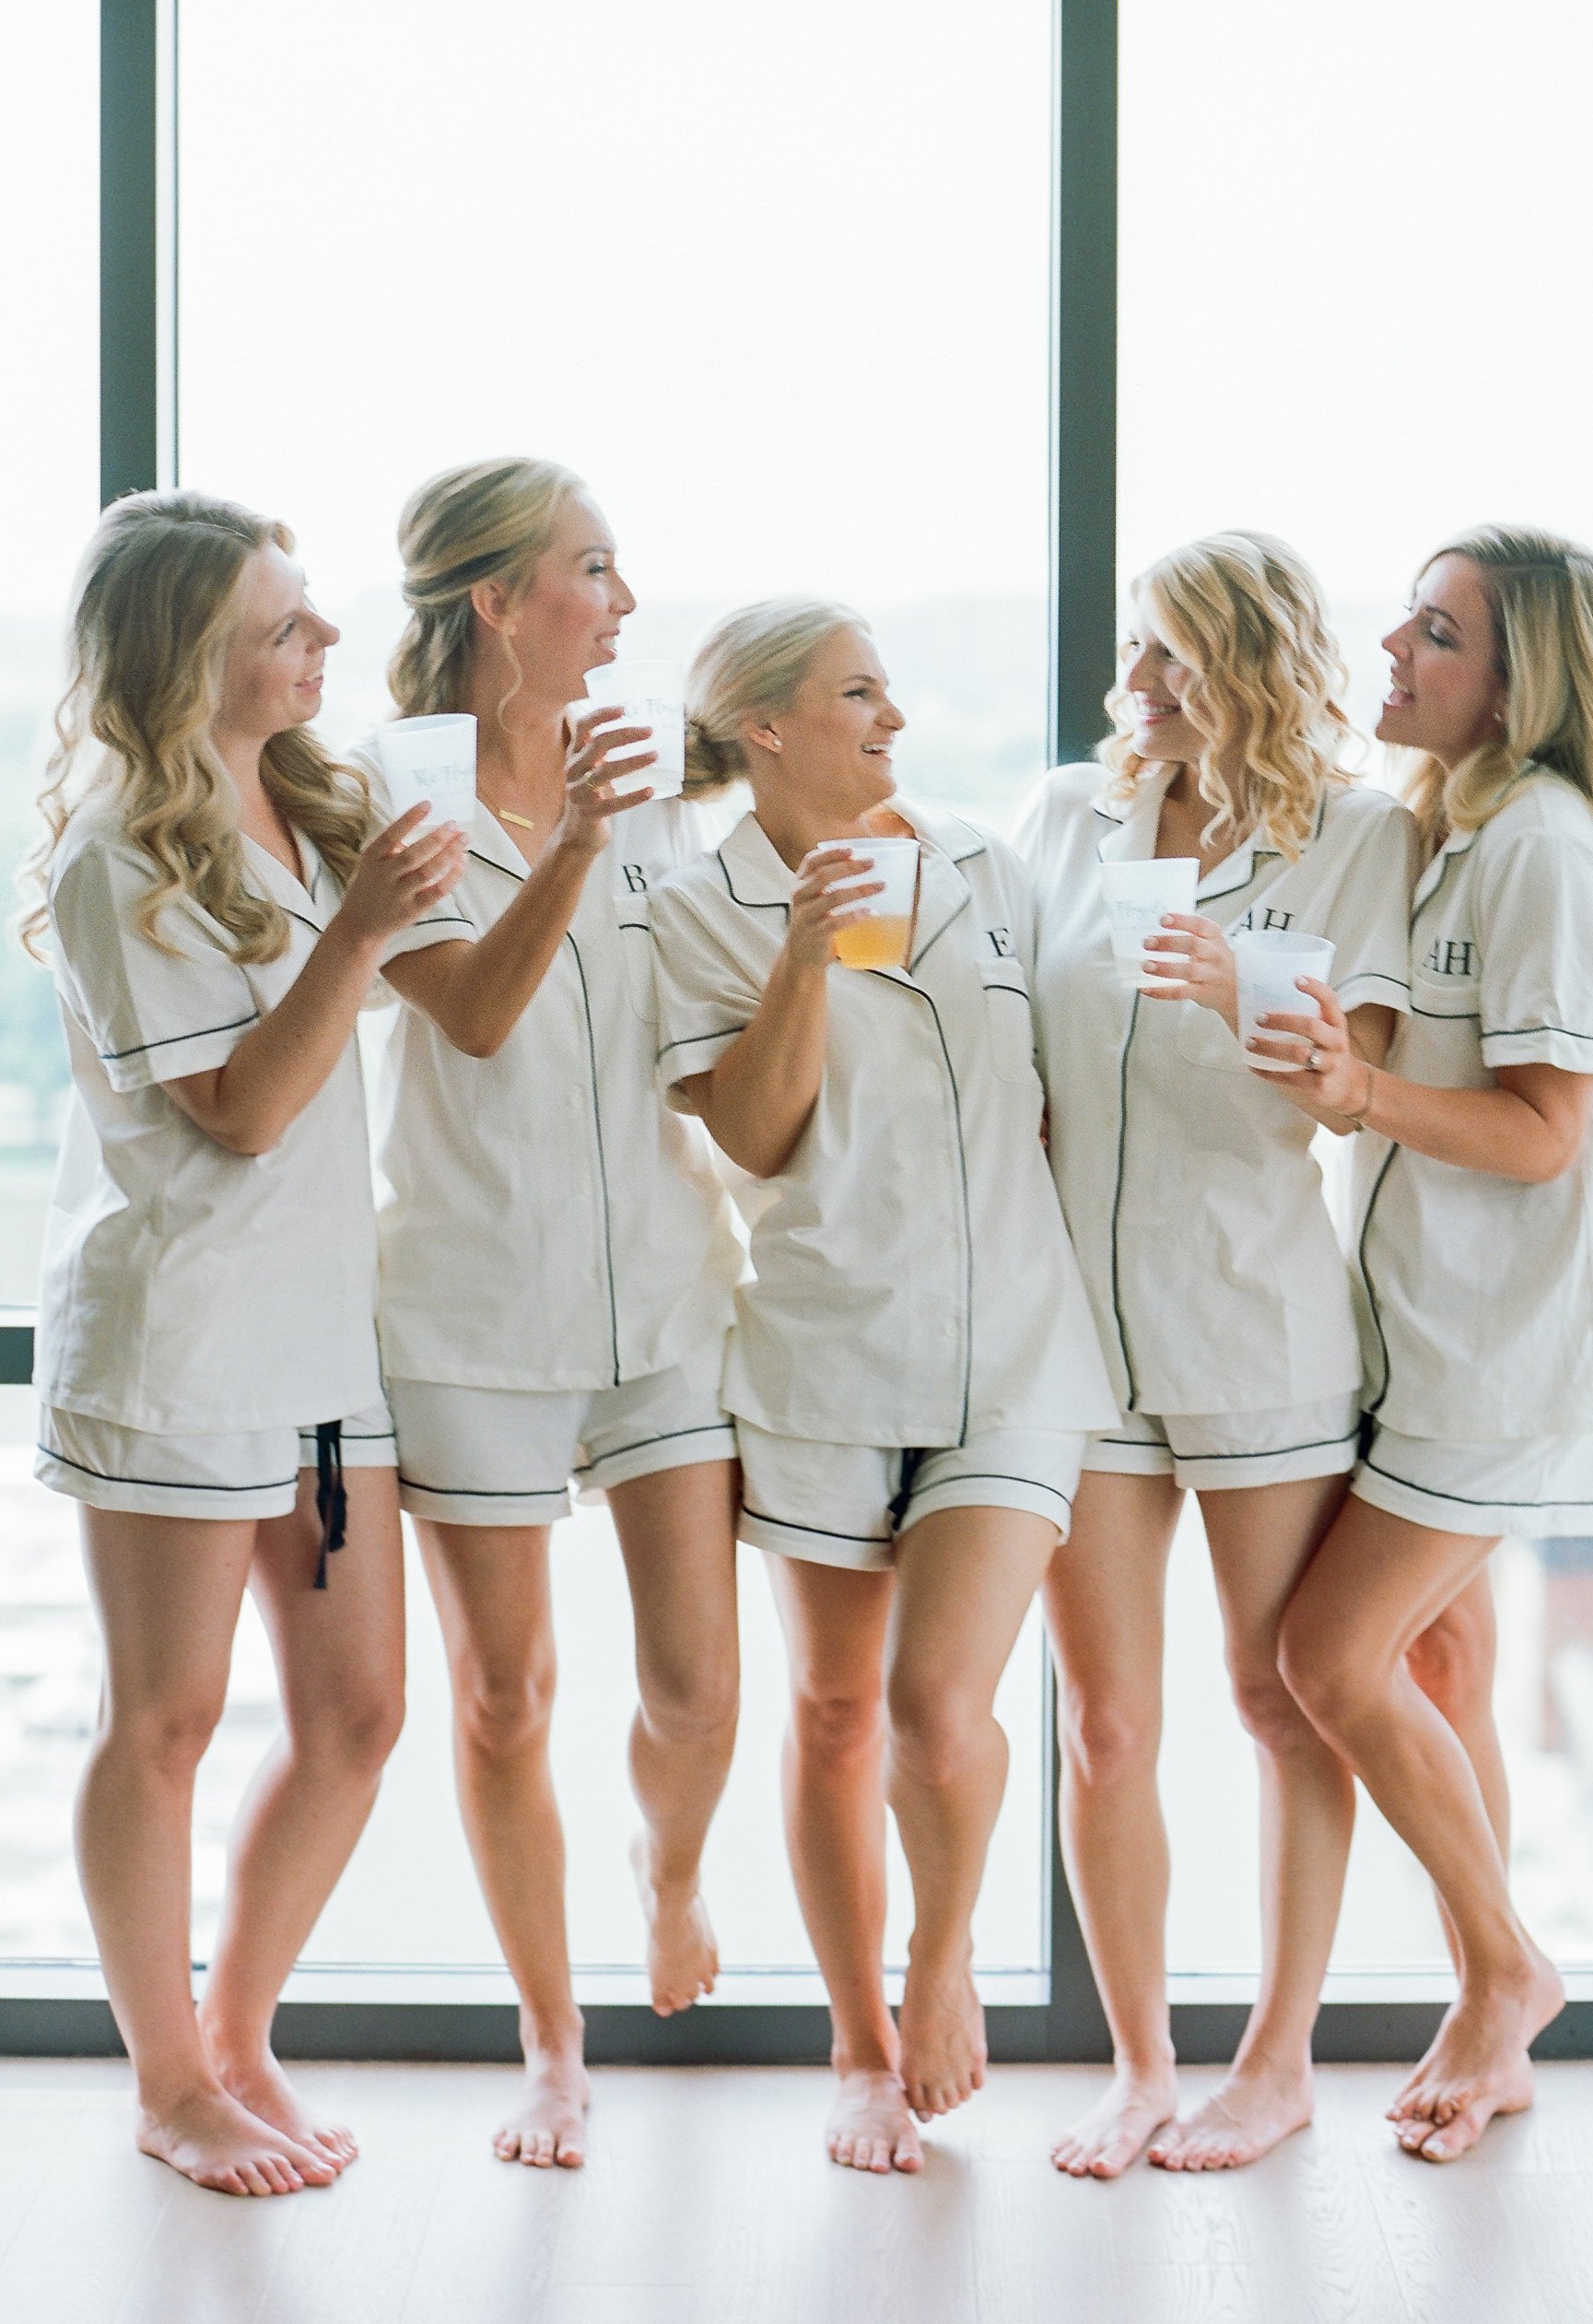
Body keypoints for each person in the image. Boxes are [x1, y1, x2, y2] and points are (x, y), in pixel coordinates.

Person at [22, 489, 471, 2197]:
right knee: (168, 1722)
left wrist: (559, 839)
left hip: (320, 1361)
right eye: (288, 625)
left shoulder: (304, 800)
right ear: (189, 654)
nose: (325, 645)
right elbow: (246, 1114)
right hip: (178, 1353)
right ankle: (168, 2082)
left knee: (356, 1714)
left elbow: (476, 1001)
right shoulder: (116, 855)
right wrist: (357, 929)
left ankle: (239, 2035)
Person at [649, 602, 1117, 2176]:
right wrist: (796, 948)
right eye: (858, 693)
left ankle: (944, 1958)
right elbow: (759, 1136)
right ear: (763, 727)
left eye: (892, 691)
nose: (894, 719)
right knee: (838, 1710)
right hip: (827, 1351)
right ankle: (856, 2054)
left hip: (1016, 1352)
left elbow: (1062, 1089)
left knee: (938, 1703)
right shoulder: (699, 904)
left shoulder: (982, 864)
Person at [1269, 524, 1593, 2163]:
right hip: (1434, 1337)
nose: (1395, 647)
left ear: (1526, 686)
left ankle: (1511, 1968)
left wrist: (1356, 1096)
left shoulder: (1548, 853)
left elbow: (1543, 1134)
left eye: (1437, 633)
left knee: (1328, 1661)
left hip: (1507, 1357)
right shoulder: (1455, 833)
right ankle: (1485, 2015)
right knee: (1444, 1666)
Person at [1017, 529, 1415, 2177]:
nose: (1140, 682)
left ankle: (1278, 2061)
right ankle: (1136, 2066)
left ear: (1252, 663)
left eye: (1175, 653)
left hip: (1256, 1312)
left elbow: (1354, 1079)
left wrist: (1236, 984)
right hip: (1077, 1340)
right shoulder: (1067, 817)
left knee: (1278, 1705)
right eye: (1136, 649)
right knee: (1105, 1722)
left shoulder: (1361, 838)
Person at [368, 457, 747, 2171]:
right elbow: (473, 1016)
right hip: (465, 1312)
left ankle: (666, 1875)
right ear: (497, 601)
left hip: (667, 1297)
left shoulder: (655, 788)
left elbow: (707, 1021)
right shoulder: (382, 793)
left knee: (693, 1686)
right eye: (596, 569)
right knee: (507, 1696)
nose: (627, 601)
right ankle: (552, 2042)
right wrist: (578, 845)